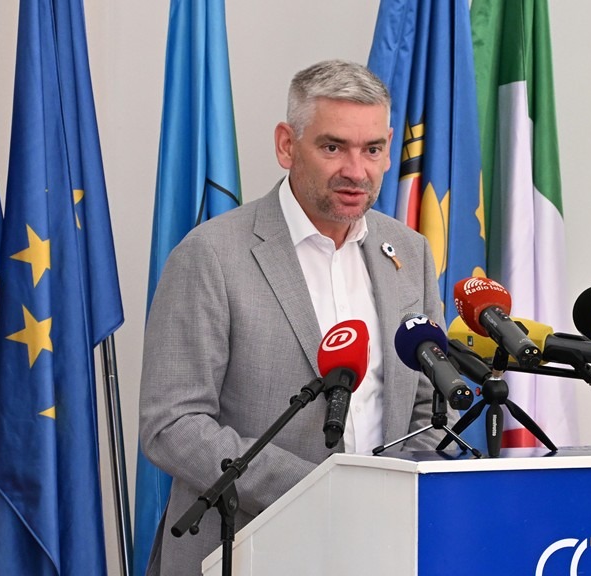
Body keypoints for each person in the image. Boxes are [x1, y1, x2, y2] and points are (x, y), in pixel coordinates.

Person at [139, 60, 451, 575]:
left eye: (372, 149)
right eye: (333, 148)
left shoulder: (409, 252)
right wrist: (316, 494)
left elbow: (425, 406)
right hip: (247, 549)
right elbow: (171, 424)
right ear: (287, 145)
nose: (357, 170)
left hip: (382, 548)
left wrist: (393, 501)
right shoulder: (211, 255)